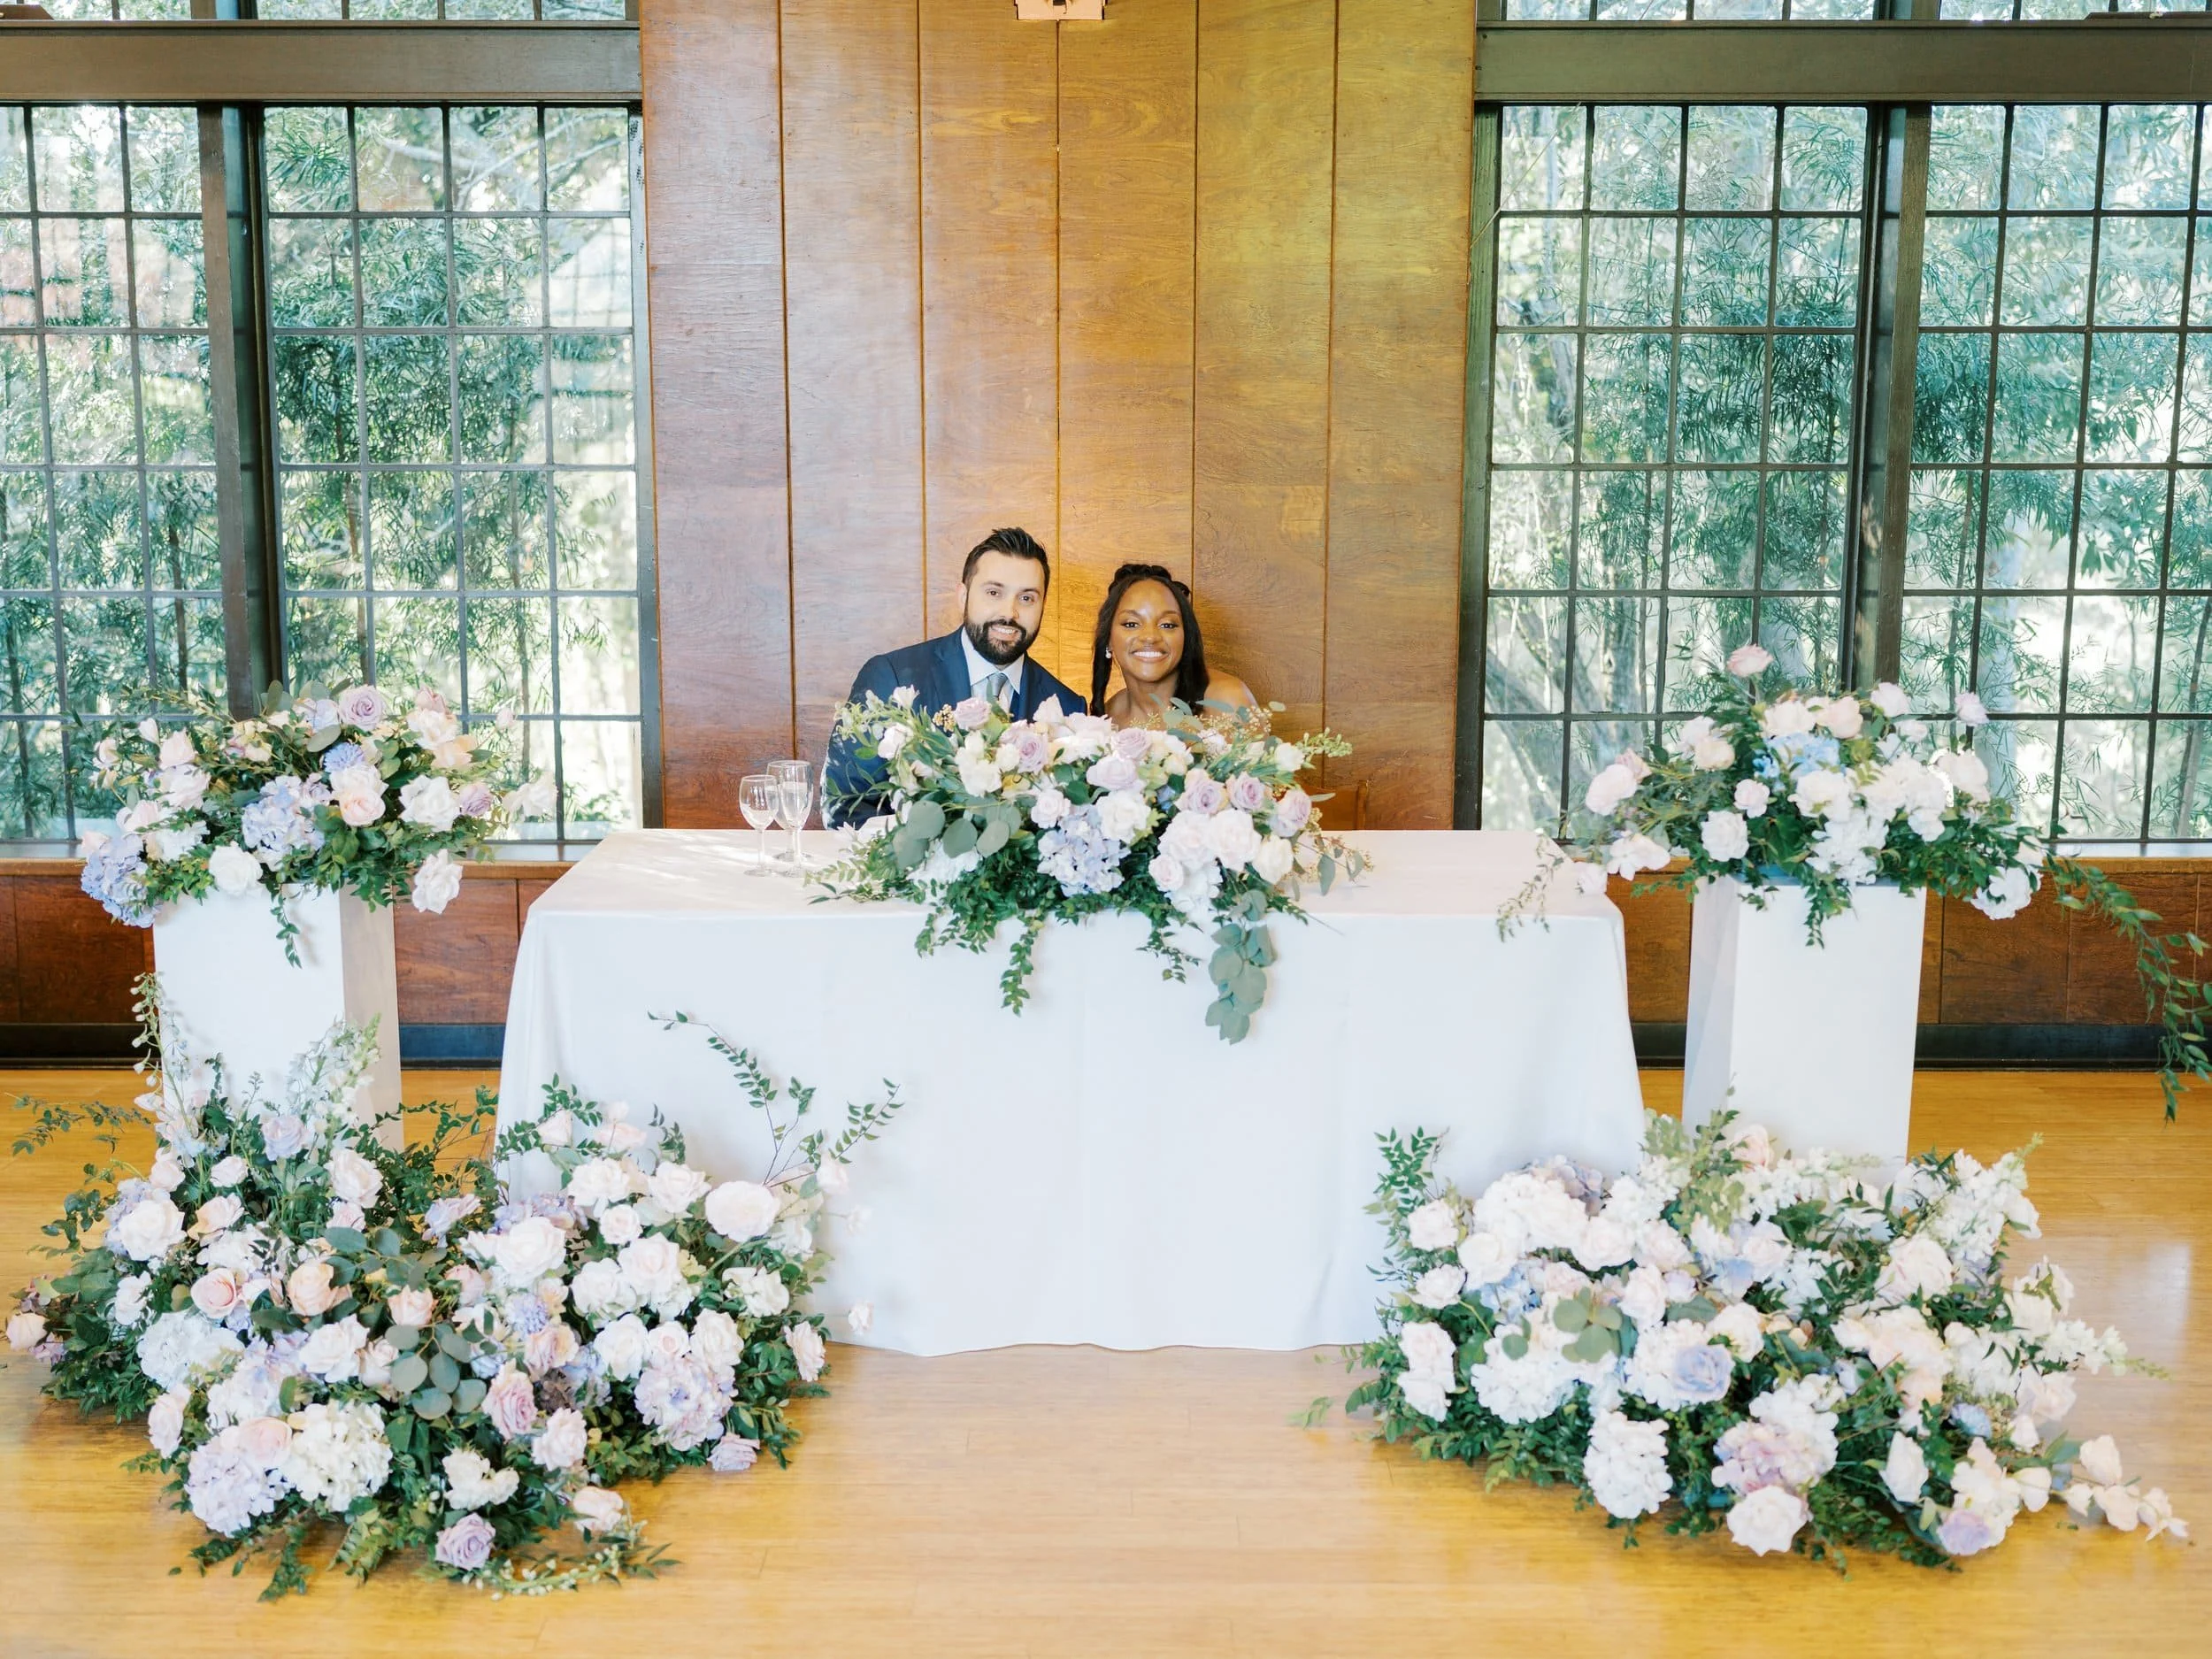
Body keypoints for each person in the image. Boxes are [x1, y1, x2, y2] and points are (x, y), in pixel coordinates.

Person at [824, 526, 1085, 826]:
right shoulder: (891, 677)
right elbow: (844, 806)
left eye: (1026, 598)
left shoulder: (1067, 707)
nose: (1009, 613)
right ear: (963, 596)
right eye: (994, 592)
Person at [1090, 562, 1256, 726]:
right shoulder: (1108, 720)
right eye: (1131, 624)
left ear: (1186, 636)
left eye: (1167, 625)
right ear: (1108, 639)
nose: (1150, 637)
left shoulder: (1228, 701)